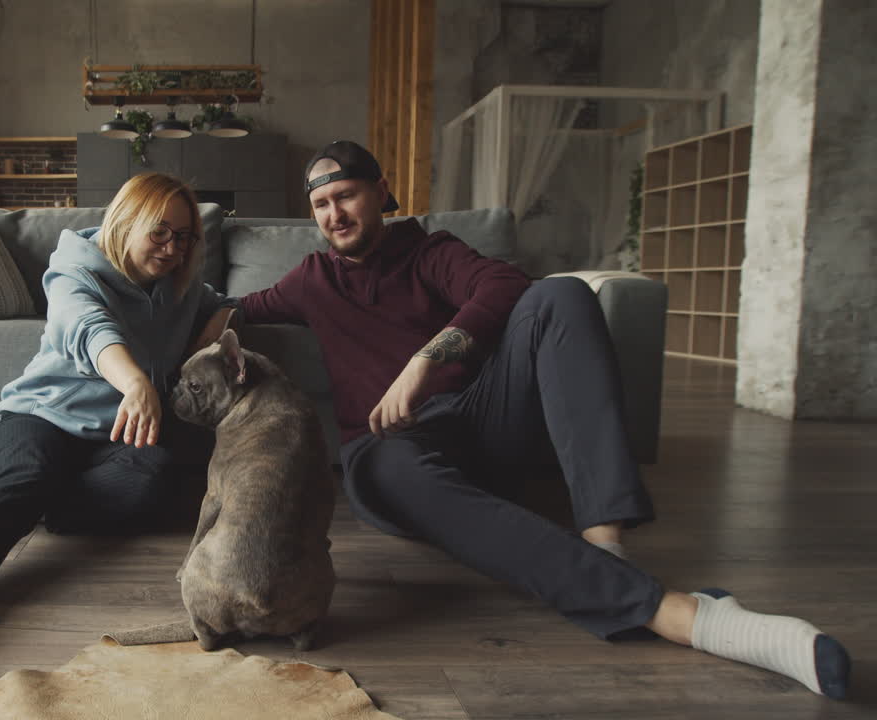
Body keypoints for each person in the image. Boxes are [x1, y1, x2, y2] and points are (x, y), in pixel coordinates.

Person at [227, 140, 851, 699]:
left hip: (480, 424)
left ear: (381, 193)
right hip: (387, 452)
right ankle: (691, 617)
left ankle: (606, 540)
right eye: (321, 205)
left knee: (560, 294)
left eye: (347, 195)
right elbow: (232, 310)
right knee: (389, 466)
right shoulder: (310, 280)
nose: (334, 214)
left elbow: (505, 285)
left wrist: (424, 359)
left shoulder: (430, 251)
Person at [0, 173, 236, 678]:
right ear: (126, 221)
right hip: (41, 418)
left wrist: (213, 332)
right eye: (160, 232)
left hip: (114, 439)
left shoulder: (180, 286)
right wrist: (134, 383)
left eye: (185, 236)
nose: (173, 247)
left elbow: (226, 303)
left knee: (156, 476)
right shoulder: (73, 271)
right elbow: (90, 329)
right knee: (31, 475)